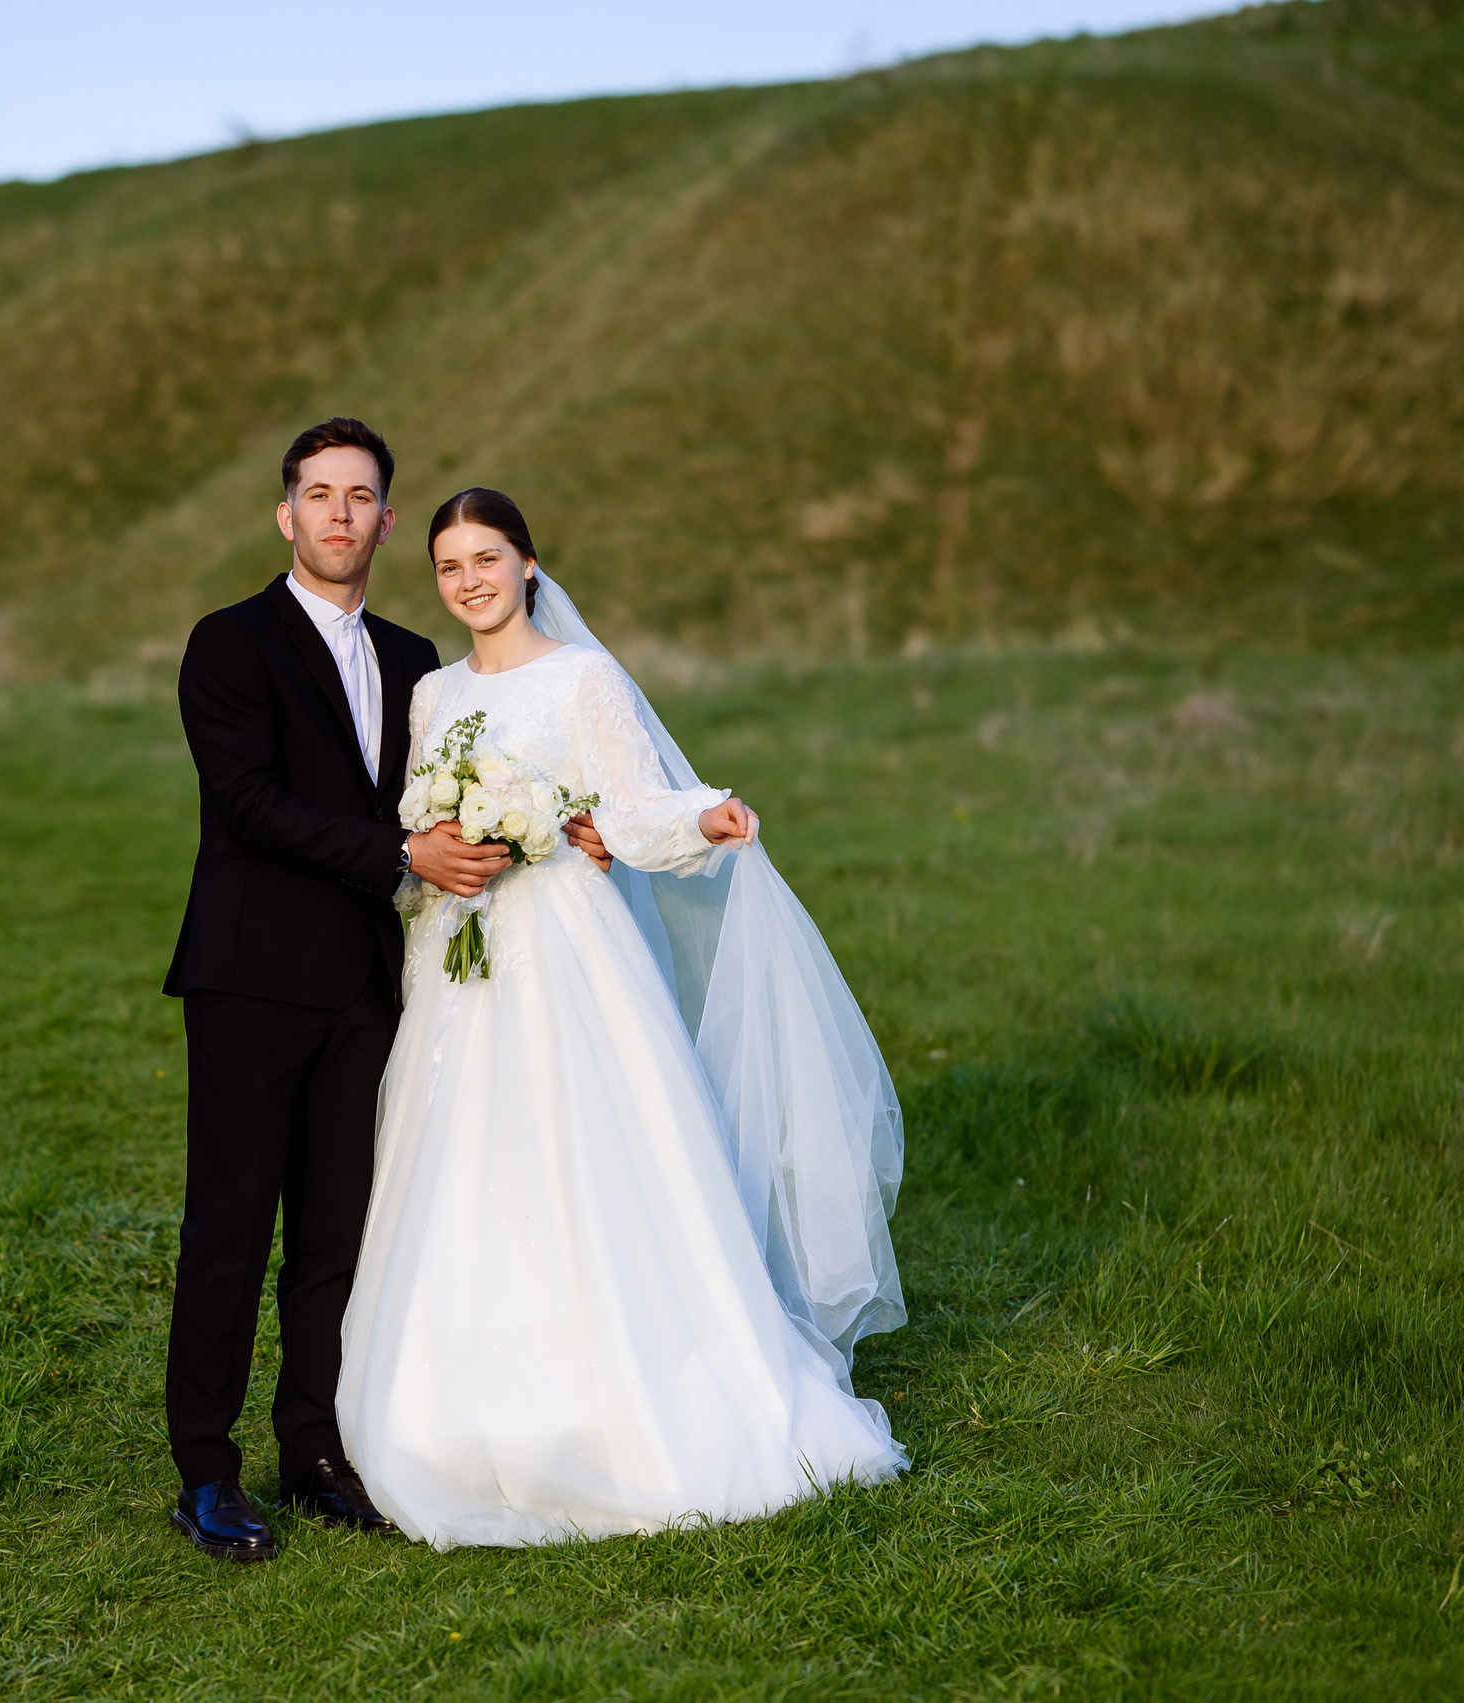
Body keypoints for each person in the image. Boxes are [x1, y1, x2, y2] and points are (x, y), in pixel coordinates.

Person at [336, 487, 909, 1548]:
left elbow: (630, 802)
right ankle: (451, 1419)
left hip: (565, 951)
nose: (469, 580)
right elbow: (418, 813)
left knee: (584, 1156)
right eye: (450, 564)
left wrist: (701, 814)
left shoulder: (584, 677)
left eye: (487, 558)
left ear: (530, 563)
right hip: (459, 957)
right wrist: (436, 849)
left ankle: (632, 1407)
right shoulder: (434, 691)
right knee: (462, 1164)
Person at [163, 424, 611, 1560]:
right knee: (230, 1221)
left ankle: (313, 1447)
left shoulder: (419, 661)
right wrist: (401, 859)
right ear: (286, 516)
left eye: (360, 497)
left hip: (372, 984)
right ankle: (206, 1471)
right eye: (318, 495)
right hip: (251, 977)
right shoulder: (229, 644)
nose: (338, 515)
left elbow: (467, 787)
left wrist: (569, 830)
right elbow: (249, 803)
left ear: (385, 522)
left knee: (336, 1234)